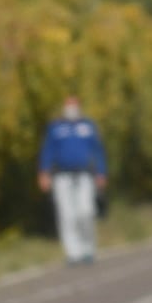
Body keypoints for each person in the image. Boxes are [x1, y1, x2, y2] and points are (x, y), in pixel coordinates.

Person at [37, 94, 108, 264]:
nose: (71, 108)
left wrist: (101, 172)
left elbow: (98, 150)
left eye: (74, 105)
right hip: (62, 177)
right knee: (67, 215)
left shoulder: (88, 126)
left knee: (85, 212)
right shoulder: (55, 128)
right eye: (68, 105)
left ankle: (88, 249)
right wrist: (43, 173)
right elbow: (47, 151)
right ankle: (73, 253)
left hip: (84, 175)